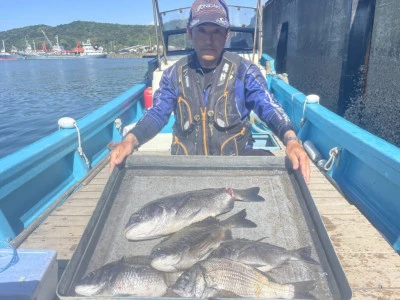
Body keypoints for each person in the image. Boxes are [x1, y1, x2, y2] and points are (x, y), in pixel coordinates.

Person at [110, 0, 310, 184]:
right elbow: (157, 112)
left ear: (227, 34)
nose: (209, 39)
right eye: (202, 31)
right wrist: (130, 140)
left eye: (216, 31)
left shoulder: (245, 71)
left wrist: (291, 140)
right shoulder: (173, 74)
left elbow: (268, 105)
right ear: (190, 32)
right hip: (188, 171)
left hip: (235, 170)